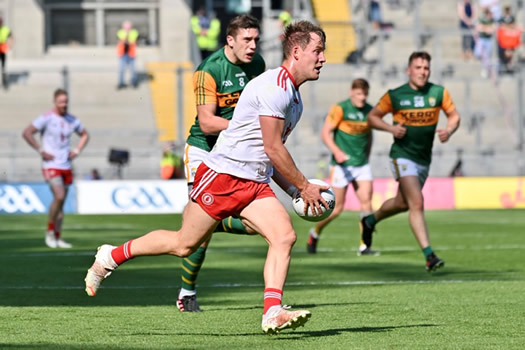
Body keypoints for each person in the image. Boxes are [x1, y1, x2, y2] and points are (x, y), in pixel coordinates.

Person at [84, 20, 327, 335]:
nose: (322, 58)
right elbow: (273, 147)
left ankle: (272, 311)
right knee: (184, 244)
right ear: (296, 51)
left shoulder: (294, 100)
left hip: (253, 184)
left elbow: (269, 156)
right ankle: (110, 256)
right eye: (317, 51)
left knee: (284, 236)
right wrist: (305, 187)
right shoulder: (274, 87)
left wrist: (295, 189)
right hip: (223, 176)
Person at [178, 14, 266, 312]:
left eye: (256, 39)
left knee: (255, 226)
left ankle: (205, 221)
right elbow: (206, 123)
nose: (253, 46)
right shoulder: (209, 70)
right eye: (247, 40)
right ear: (230, 40)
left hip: (235, 153)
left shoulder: (258, 66)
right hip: (204, 151)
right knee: (196, 234)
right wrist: (244, 129)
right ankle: (186, 292)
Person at [362, 51, 460, 272]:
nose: (422, 72)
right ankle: (429, 255)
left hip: (424, 159)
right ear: (409, 70)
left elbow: (454, 115)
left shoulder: (438, 92)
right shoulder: (395, 95)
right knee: (416, 202)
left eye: (426, 68)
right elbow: (372, 117)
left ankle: (370, 221)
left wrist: (450, 130)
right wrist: (390, 128)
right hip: (402, 155)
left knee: (402, 203)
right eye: (418, 68)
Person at [306, 78, 377, 256]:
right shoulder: (341, 108)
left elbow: (369, 136)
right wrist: (336, 151)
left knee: (367, 204)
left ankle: (365, 246)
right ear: (351, 92)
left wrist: (366, 155)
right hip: (341, 165)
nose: (362, 98)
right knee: (336, 208)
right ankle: (314, 233)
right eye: (359, 94)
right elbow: (325, 133)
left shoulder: (370, 111)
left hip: (361, 165)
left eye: (365, 94)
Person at [22, 88, 89, 248]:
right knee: (58, 196)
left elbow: (85, 134)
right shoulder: (46, 118)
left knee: (61, 203)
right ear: (55, 102)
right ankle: (50, 232)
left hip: (66, 164)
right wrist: (41, 150)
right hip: (51, 165)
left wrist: (77, 150)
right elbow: (27, 132)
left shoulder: (72, 120)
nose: (64, 104)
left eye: (66, 101)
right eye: (61, 102)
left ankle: (57, 237)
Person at [497, 9, 521, 74]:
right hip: (504, 48)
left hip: (513, 48)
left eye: (510, 24)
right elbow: (501, 41)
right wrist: (507, 49)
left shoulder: (516, 31)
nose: (508, 26)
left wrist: (511, 49)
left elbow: (517, 41)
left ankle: (512, 68)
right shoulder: (501, 31)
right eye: (507, 24)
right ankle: (503, 69)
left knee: (517, 53)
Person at [116, 21, 139, 89]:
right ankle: (121, 83)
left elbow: (134, 41)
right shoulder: (120, 32)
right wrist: (126, 37)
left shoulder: (134, 32)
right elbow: (121, 41)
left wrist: (126, 40)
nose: (127, 29)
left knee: (133, 69)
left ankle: (134, 82)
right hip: (122, 54)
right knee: (122, 69)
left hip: (131, 53)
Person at [475, 8, 496, 78]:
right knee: (478, 54)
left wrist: (484, 28)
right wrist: (487, 28)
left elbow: (491, 30)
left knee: (487, 56)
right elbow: (479, 28)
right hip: (482, 39)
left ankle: (486, 70)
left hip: (489, 40)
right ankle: (485, 66)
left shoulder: (492, 21)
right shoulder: (482, 19)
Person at [0, 16, 13, 89]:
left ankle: (4, 80)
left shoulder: (5, 29)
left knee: (3, 66)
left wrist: (10, 45)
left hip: (2, 47)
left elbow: (12, 36)